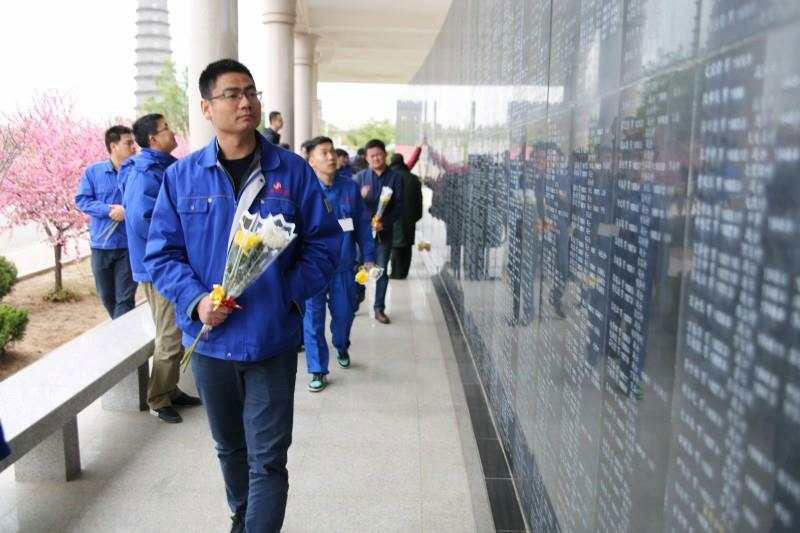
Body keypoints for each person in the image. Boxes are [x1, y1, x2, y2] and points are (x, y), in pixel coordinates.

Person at [144, 59, 341, 532]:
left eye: (251, 92)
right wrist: (196, 301)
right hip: (211, 342)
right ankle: (242, 517)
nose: (245, 102)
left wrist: (286, 294)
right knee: (230, 447)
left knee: (268, 458)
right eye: (232, 94)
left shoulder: (291, 172)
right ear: (206, 108)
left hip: (270, 340)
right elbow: (162, 254)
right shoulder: (182, 177)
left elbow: (324, 244)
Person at [121, 113, 201, 424]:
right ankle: (157, 398)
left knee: (176, 331)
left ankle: (169, 388)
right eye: (166, 129)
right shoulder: (144, 174)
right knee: (169, 334)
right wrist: (183, 233)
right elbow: (144, 220)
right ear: (153, 139)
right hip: (160, 268)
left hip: (171, 263)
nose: (172, 132)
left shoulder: (162, 167)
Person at [302, 136, 375, 392]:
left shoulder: (349, 188)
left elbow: (363, 224)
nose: (331, 156)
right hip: (311, 269)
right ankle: (317, 369)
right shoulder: (304, 190)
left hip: (343, 267)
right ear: (311, 161)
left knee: (344, 315)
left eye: (332, 151)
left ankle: (341, 345)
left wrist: (368, 256)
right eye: (323, 152)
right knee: (312, 320)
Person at [75, 125, 137, 319]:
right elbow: (82, 200)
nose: (134, 147)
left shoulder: (138, 172)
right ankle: (122, 329)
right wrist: (109, 210)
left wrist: (127, 211)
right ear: (113, 146)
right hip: (101, 247)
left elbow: (148, 202)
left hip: (129, 247)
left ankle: (121, 333)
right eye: (128, 143)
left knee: (125, 301)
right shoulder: (93, 172)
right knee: (106, 297)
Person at [353, 139, 403, 324]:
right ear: (366, 158)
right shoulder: (359, 178)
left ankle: (379, 308)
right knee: (358, 268)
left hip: (384, 233)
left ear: (385, 155)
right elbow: (350, 205)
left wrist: (385, 223)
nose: (376, 158)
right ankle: (356, 299)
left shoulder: (396, 178)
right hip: (362, 234)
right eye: (372, 156)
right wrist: (360, 196)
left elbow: (400, 206)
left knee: (381, 270)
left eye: (379, 155)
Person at [388, 153, 423, 279]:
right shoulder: (413, 178)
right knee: (407, 245)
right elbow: (419, 200)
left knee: (395, 245)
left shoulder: (389, 177)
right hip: (410, 218)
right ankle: (404, 272)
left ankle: (396, 273)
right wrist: (416, 216)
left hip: (394, 217)